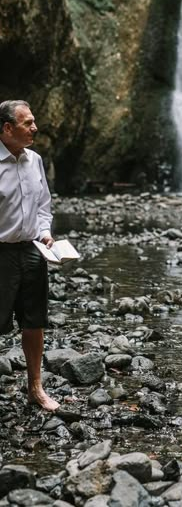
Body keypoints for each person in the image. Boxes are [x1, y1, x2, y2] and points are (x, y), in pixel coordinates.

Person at [0, 100, 59, 412]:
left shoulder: (34, 160)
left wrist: (46, 231)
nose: (35, 128)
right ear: (7, 128)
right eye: (27, 123)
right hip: (1, 253)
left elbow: (43, 206)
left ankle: (35, 388)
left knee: (34, 321)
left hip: (34, 251)